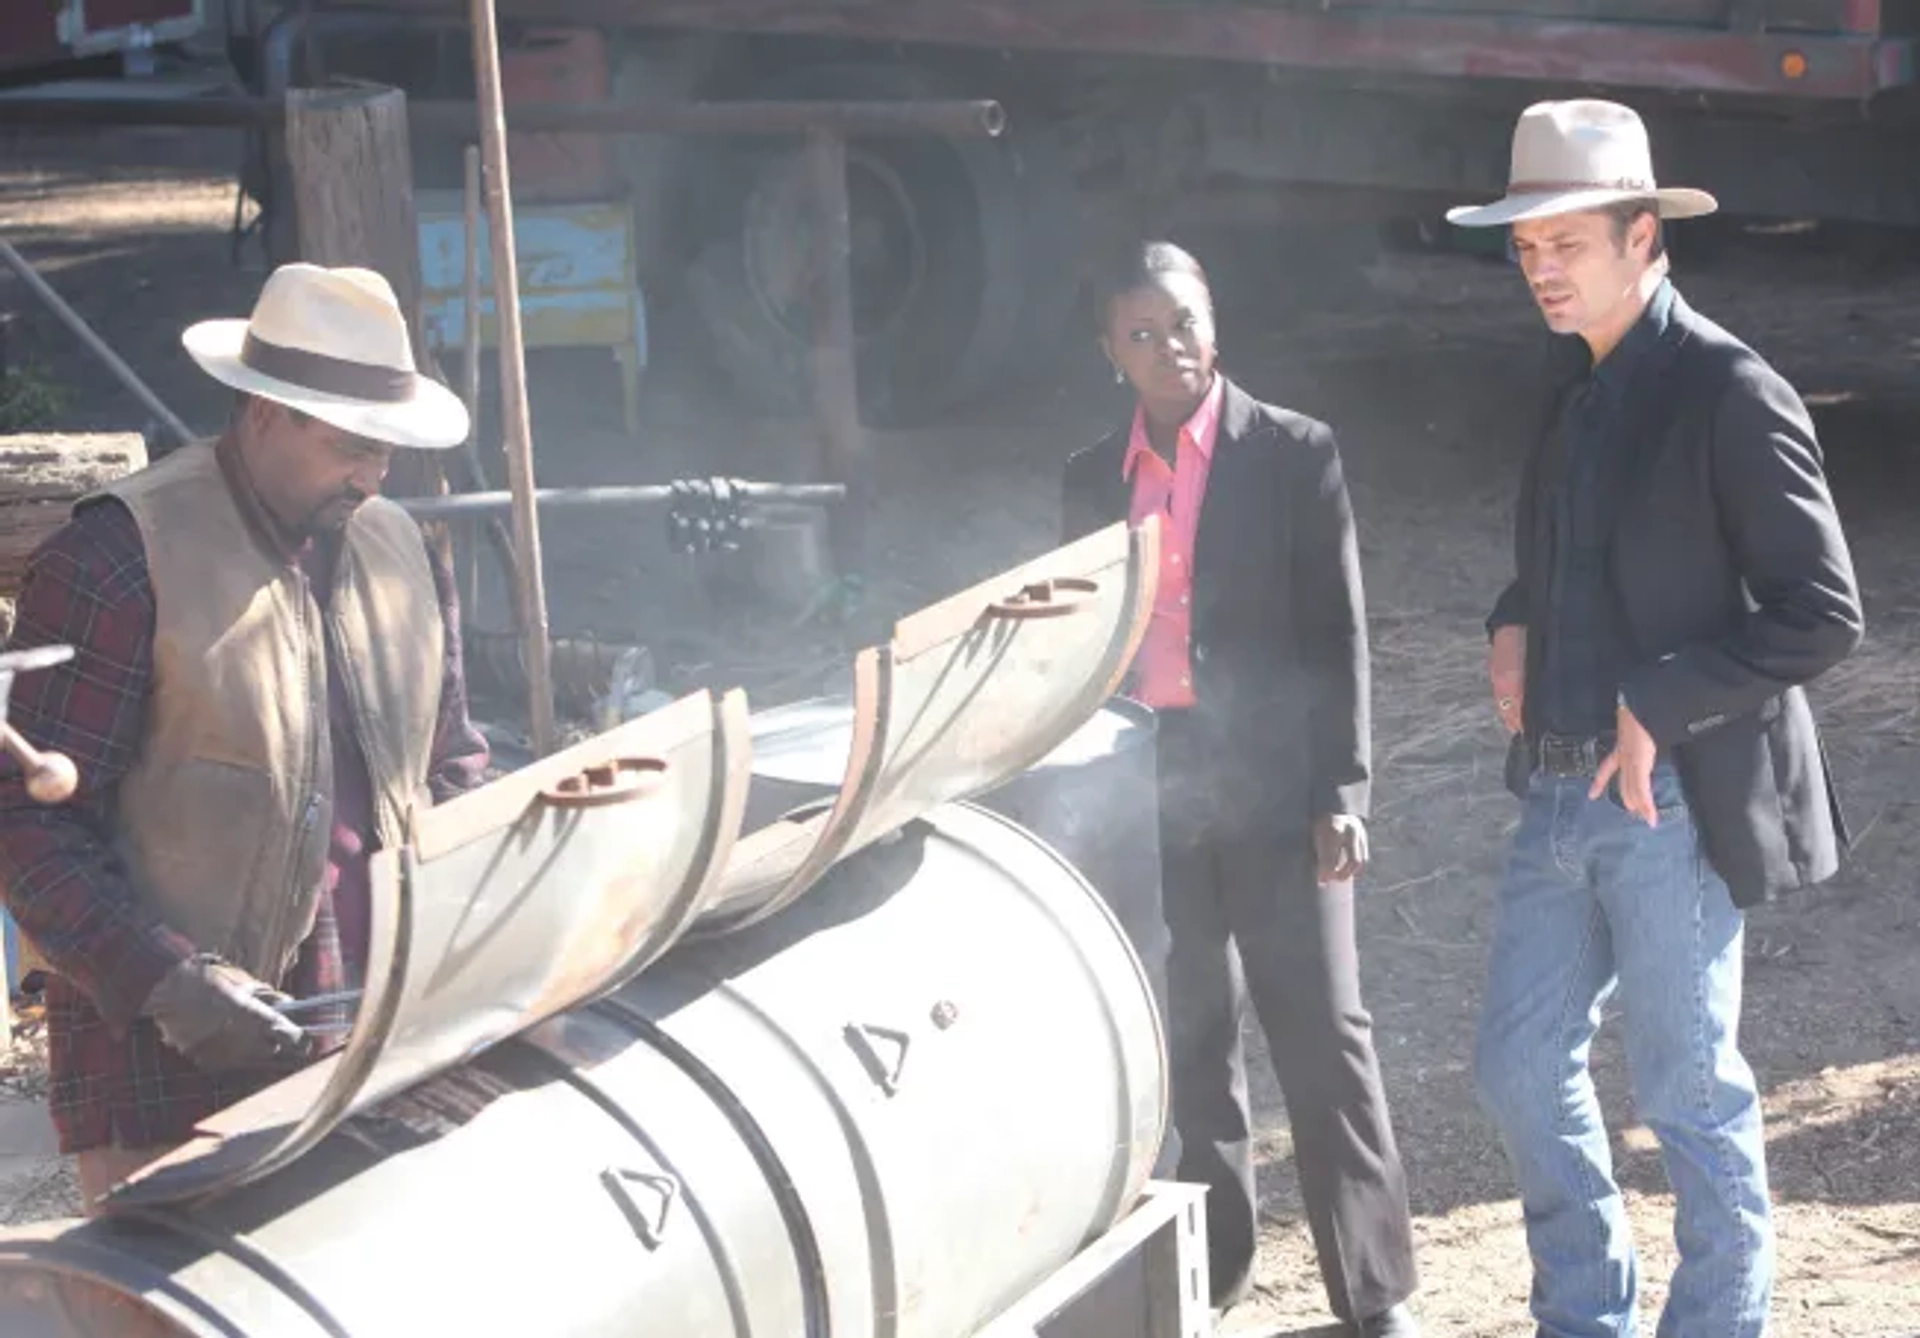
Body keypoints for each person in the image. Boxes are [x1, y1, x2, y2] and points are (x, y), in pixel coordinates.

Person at [1450, 100, 1863, 1338]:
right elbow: (1572, 559)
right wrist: (1511, 616)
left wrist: (1660, 700)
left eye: (1567, 244)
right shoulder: (1572, 381)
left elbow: (1821, 612)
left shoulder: (1734, 390)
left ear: (1646, 237)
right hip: (1557, 788)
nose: (1542, 272)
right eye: (1527, 251)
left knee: (1690, 1095)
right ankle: (1586, 1318)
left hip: (1669, 797)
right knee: (1518, 1071)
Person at [0, 262, 489, 1214]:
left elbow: (454, 762)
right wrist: (165, 979)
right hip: (160, 1061)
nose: (374, 474)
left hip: (379, 1035)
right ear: (263, 413)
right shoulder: (113, 558)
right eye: (352, 444)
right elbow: (25, 826)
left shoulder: (408, 552)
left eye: (387, 448)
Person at [1062, 241, 1419, 1338]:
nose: (1170, 348)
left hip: (1276, 784)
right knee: (1190, 1040)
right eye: (1142, 333)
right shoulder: (1090, 477)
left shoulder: (1294, 453)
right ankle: (1211, 1281)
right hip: (1150, 789)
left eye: (1185, 321)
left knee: (1324, 1034)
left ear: (1215, 321)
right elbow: (1079, 644)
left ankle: (1376, 1293)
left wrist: (1342, 791)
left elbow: (1339, 632)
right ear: (1109, 351)